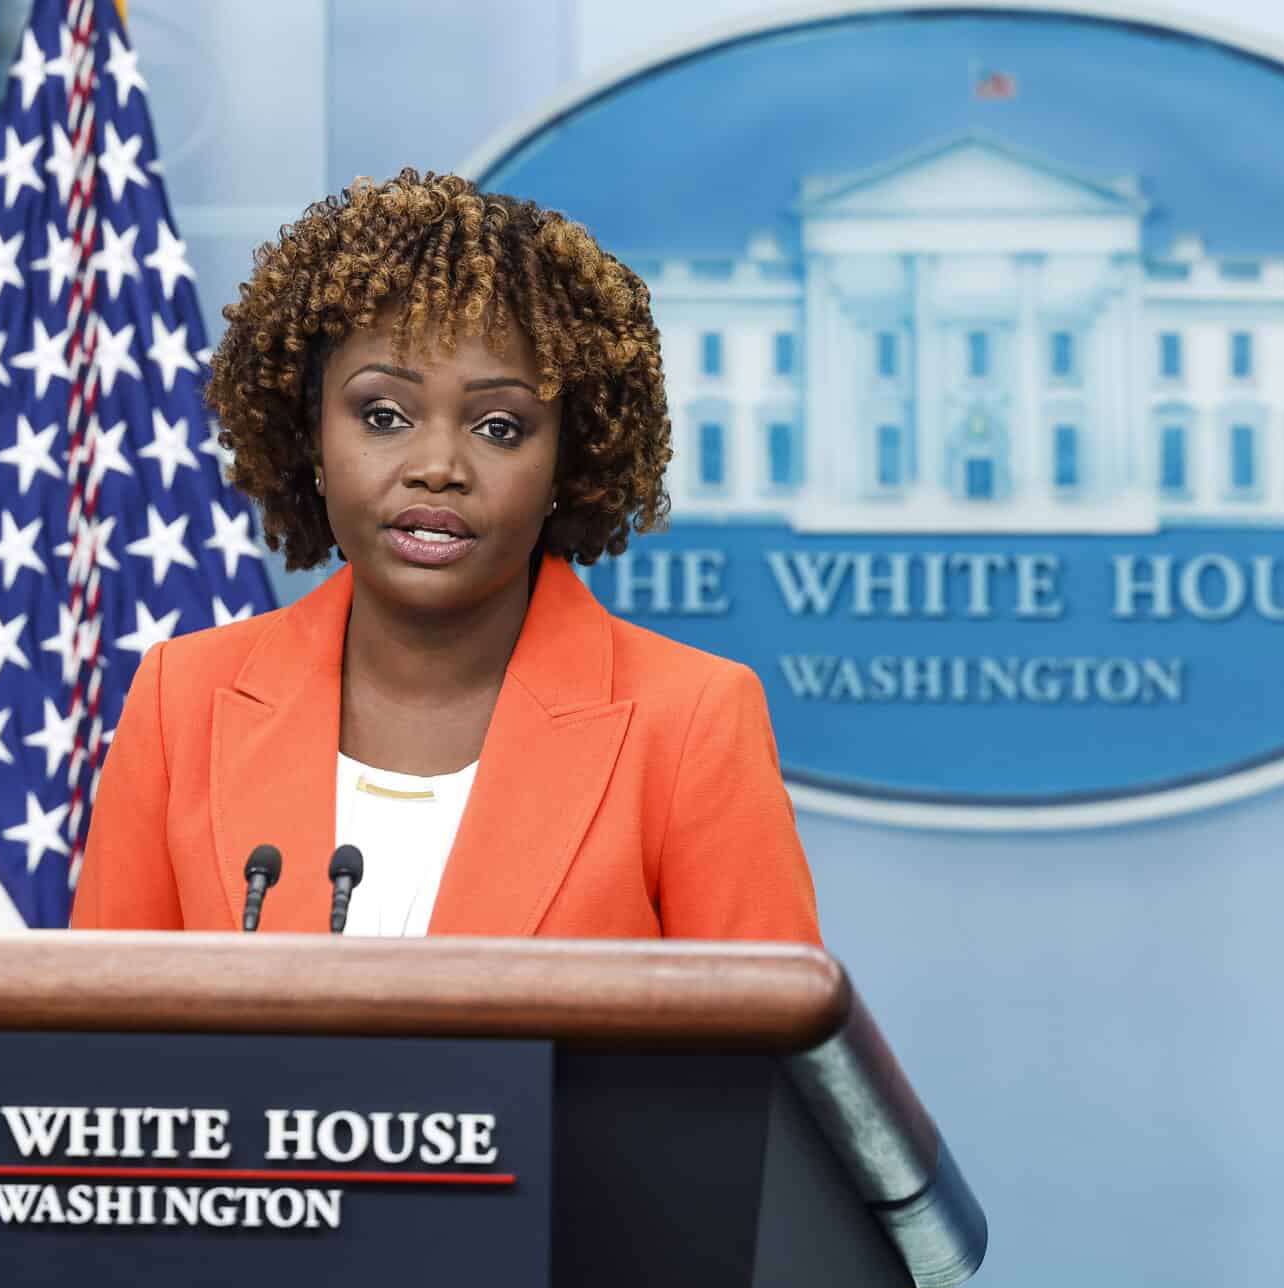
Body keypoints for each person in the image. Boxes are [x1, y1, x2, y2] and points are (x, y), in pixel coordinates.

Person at [70, 170, 818, 942]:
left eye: (499, 427)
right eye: (382, 415)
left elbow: (763, 1024)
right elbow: (99, 1017)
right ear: (311, 438)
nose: (437, 466)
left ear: (567, 462)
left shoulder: (692, 723)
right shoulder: (180, 703)